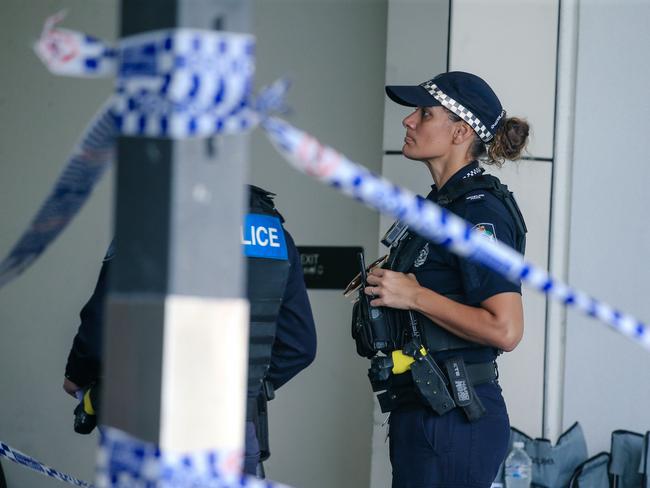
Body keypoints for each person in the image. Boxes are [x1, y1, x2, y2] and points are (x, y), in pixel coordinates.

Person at [63, 185, 317, 478]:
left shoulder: (151, 221)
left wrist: (76, 375)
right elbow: (301, 345)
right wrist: (246, 388)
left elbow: (101, 325)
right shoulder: (273, 234)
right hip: (237, 431)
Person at [361, 71, 529, 487]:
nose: (408, 121)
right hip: (423, 410)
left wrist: (415, 297)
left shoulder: (480, 213)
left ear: (460, 131)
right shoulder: (439, 208)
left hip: (457, 418)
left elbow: (505, 329)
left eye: (424, 113)